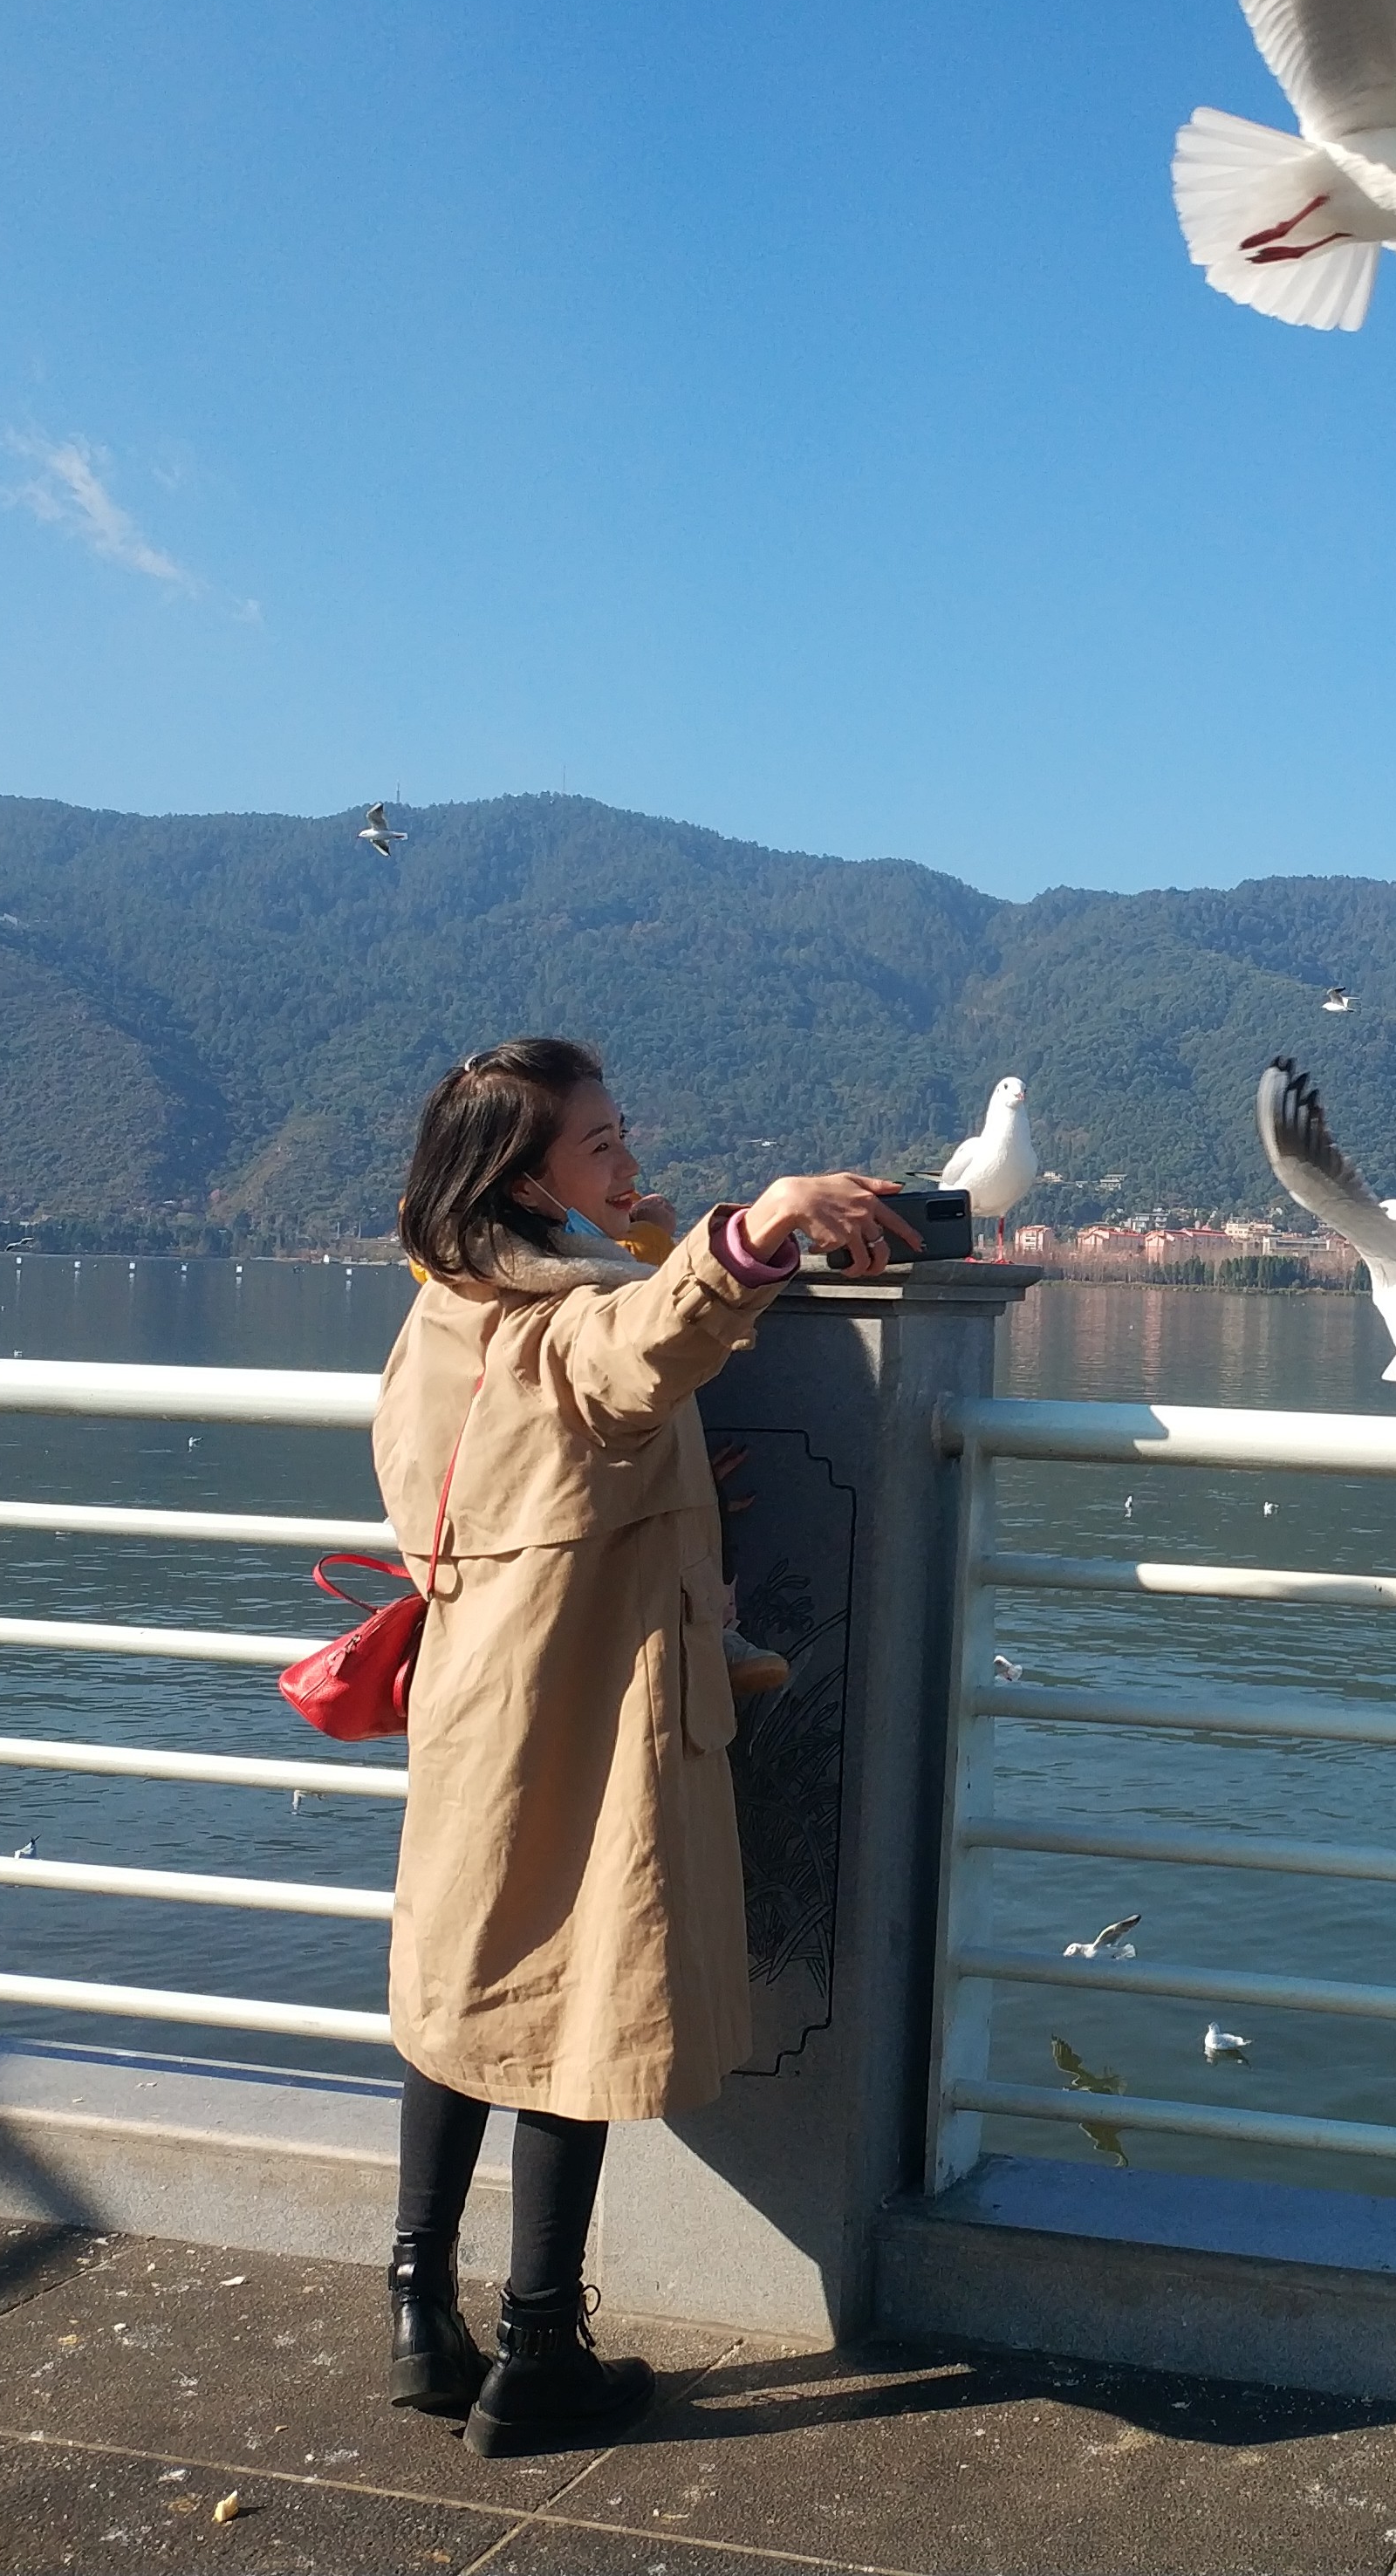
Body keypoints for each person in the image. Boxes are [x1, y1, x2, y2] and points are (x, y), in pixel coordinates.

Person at [373, 1037, 913, 2458]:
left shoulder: (443, 1313)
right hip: (587, 1710)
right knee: (574, 2004)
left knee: (462, 1987)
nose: (627, 1159)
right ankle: (541, 2349)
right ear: (526, 1174)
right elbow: (632, 1353)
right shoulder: (563, 1322)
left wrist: (659, 1256)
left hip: (473, 1694)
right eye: (599, 1142)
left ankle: (419, 2309)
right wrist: (769, 1219)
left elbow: (566, 1406)